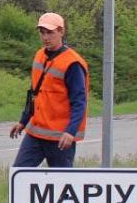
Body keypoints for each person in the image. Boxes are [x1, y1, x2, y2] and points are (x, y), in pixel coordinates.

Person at [9, 12, 90, 168]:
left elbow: (79, 102)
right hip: (35, 133)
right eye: (42, 32)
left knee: (62, 187)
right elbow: (34, 93)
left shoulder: (72, 63)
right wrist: (23, 121)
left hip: (60, 137)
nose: (46, 37)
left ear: (61, 32)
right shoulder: (39, 55)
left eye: (50, 32)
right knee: (19, 177)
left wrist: (70, 132)